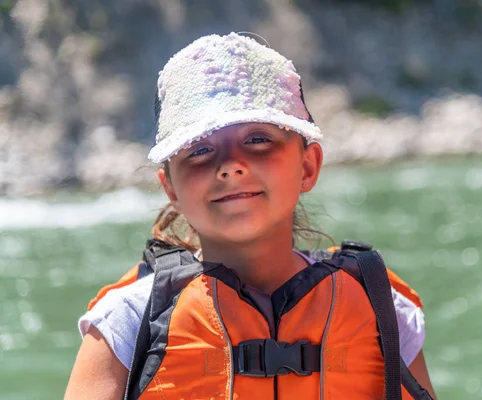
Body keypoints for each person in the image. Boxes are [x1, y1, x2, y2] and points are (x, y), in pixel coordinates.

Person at [64, 32, 437, 400]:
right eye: (200, 150)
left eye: (257, 140)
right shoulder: (127, 325)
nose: (230, 166)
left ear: (308, 166)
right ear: (171, 188)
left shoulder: (382, 309)